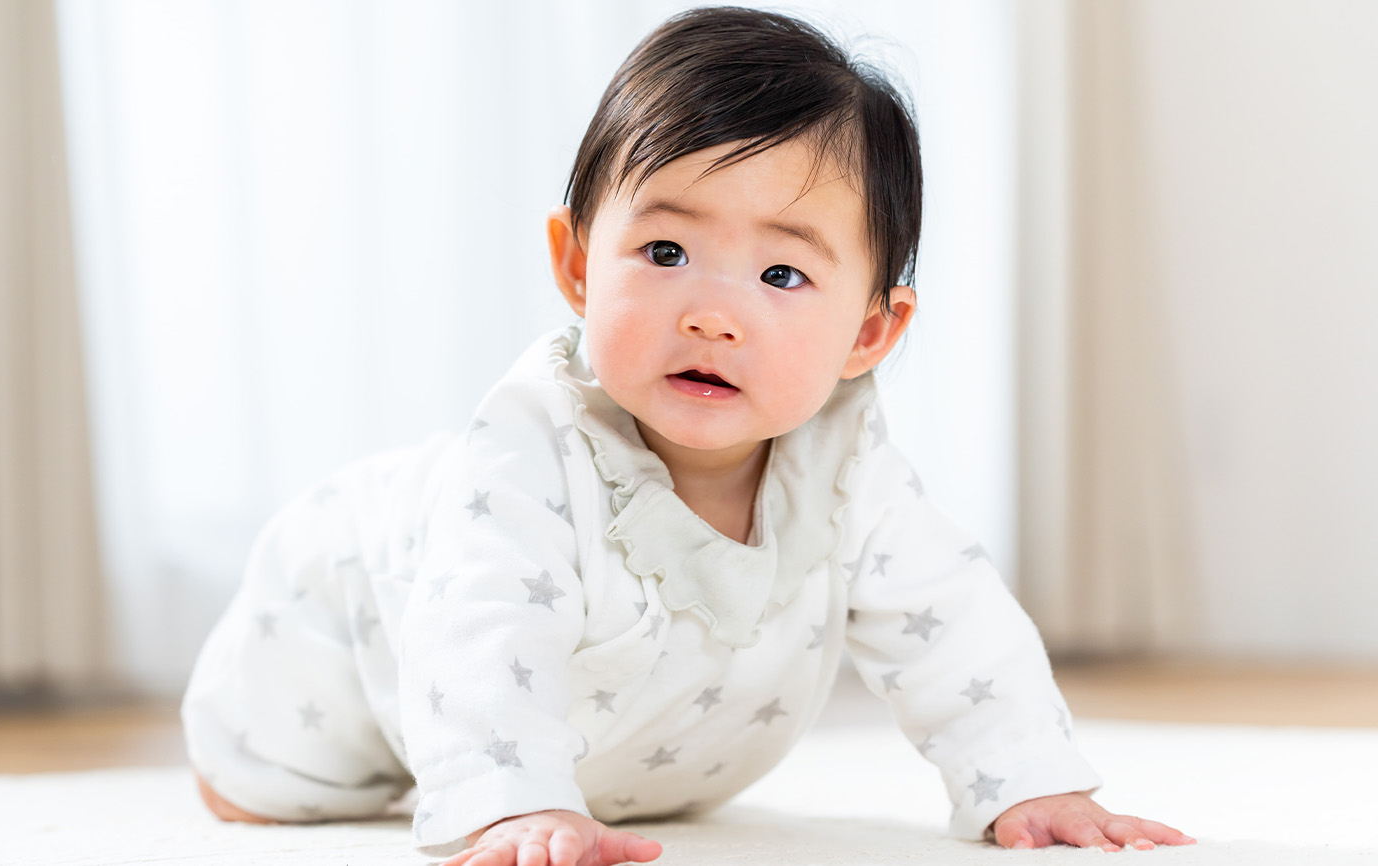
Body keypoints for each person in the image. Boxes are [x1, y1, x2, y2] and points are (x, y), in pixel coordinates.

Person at [182, 7, 1195, 864]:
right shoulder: (529, 453)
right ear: (577, 266)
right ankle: (245, 761)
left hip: (623, 746)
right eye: (664, 250)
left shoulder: (847, 471)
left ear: (870, 330)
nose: (713, 313)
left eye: (780, 275)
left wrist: (1026, 782)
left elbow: (956, 623)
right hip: (358, 594)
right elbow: (481, 633)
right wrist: (508, 798)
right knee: (272, 778)